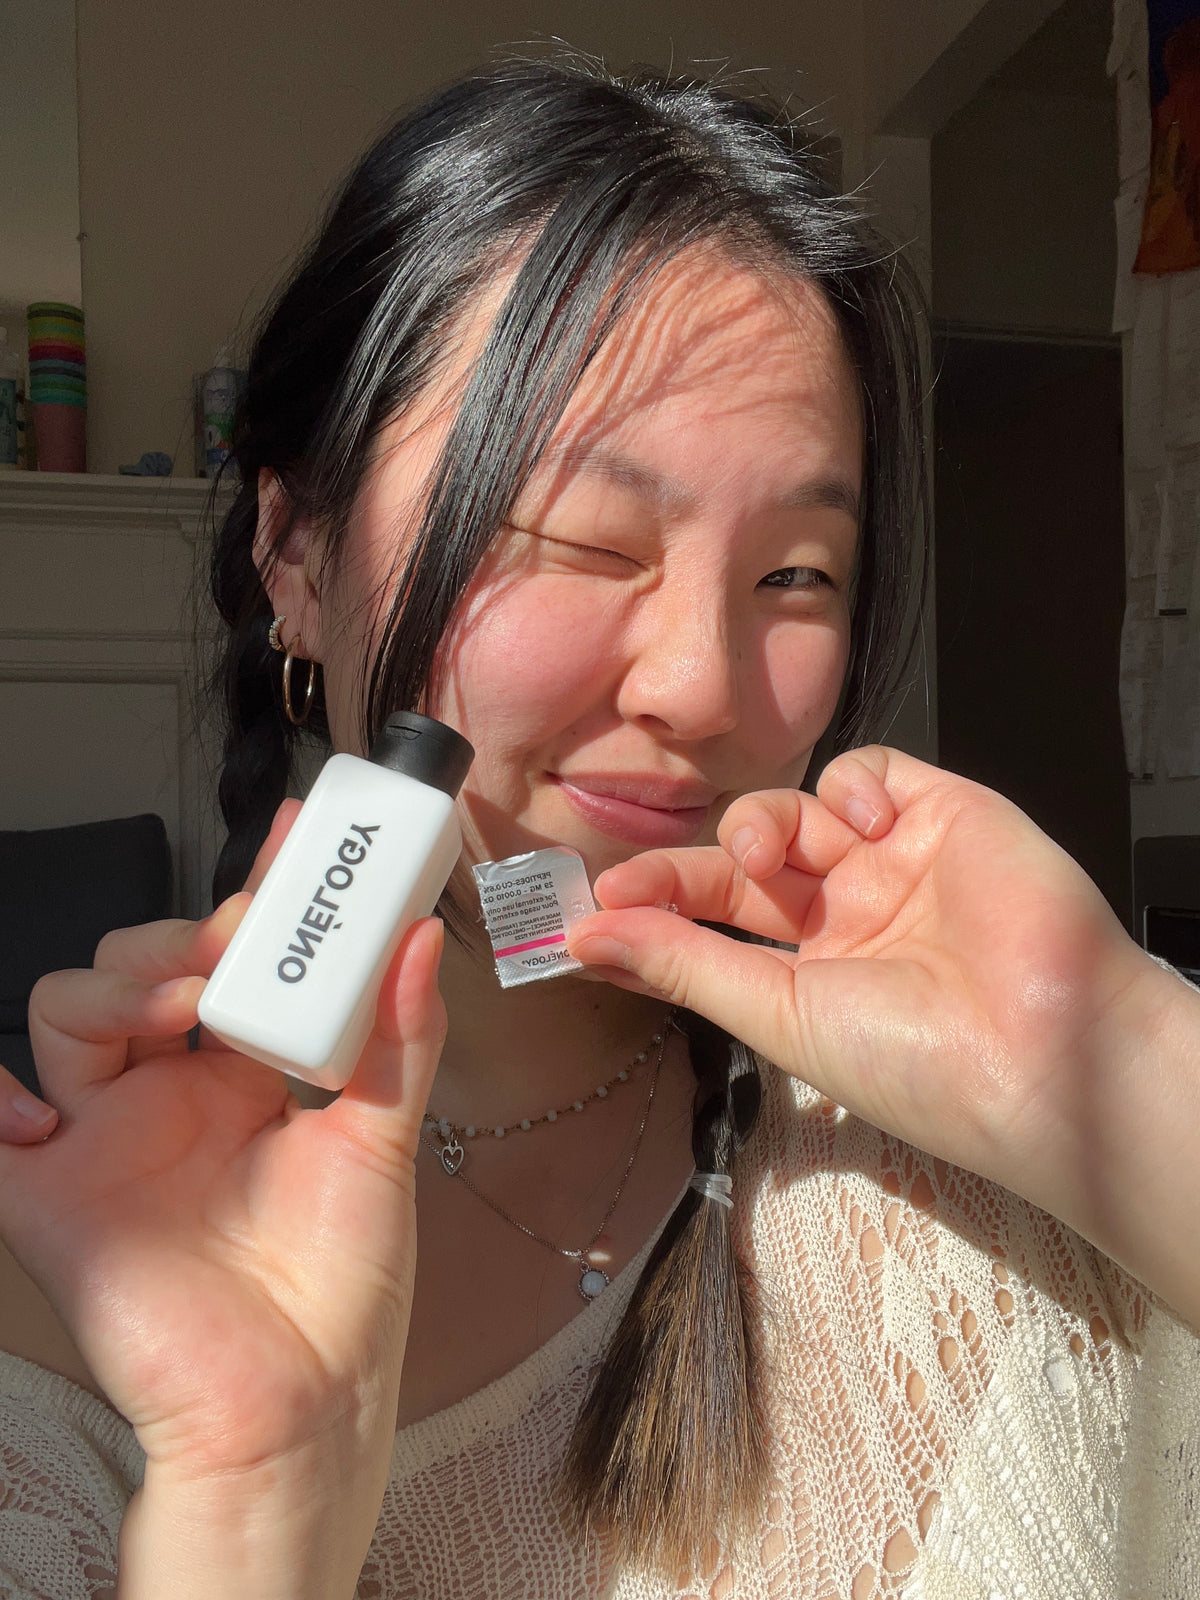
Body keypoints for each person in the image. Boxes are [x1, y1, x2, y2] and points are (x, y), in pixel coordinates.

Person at [0, 54, 1198, 1600]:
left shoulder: (989, 1147)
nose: (703, 687)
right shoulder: (66, 1295)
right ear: (295, 555)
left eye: (797, 575)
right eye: (576, 539)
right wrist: (254, 1505)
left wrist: (1114, 1065)